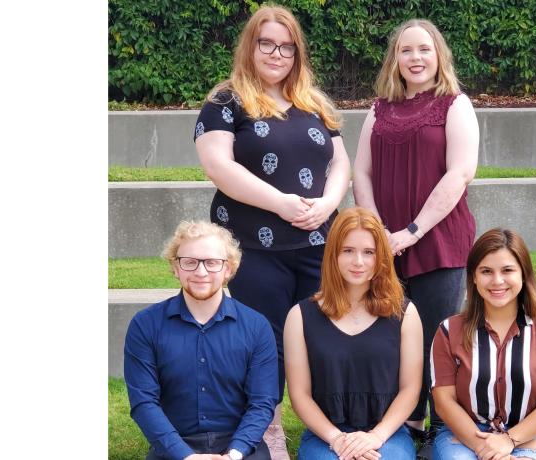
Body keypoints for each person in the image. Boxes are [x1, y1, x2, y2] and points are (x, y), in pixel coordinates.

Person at [193, 5, 350, 456]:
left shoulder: (313, 101)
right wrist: (280, 203)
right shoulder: (226, 101)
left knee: (325, 334)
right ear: (251, 47)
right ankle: (269, 430)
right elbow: (218, 166)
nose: (277, 53)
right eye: (267, 43)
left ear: (297, 52)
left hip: (320, 242)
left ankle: (333, 428)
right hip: (253, 247)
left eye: (287, 45)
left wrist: (328, 202)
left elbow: (339, 162)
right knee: (263, 342)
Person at [352, 18, 479, 457]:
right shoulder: (378, 109)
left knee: (440, 337)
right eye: (406, 50)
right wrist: (377, 234)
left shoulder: (454, 104)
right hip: (385, 245)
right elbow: (361, 172)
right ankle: (405, 424)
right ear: (395, 59)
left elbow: (460, 173)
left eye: (424, 49)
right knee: (391, 336)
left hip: (438, 240)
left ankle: (445, 428)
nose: (416, 58)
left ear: (438, 54)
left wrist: (412, 231)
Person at [124, 220, 277, 460]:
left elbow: (262, 402)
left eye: (212, 262)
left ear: (229, 269)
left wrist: (234, 454)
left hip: (240, 448)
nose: (200, 272)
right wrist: (186, 456)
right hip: (174, 447)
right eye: (190, 262)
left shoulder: (257, 327)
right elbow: (144, 402)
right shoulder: (145, 325)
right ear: (176, 267)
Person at [283, 207, 424, 460]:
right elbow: (299, 395)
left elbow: (410, 390)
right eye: (348, 251)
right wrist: (337, 439)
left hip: (387, 433)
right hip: (325, 435)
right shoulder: (300, 316)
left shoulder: (405, 313)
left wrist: (375, 437)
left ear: (381, 257)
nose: (358, 262)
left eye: (368, 252)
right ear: (333, 255)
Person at [429, 228, 536, 460]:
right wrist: (487, 448)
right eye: (486, 271)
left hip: (530, 435)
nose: (497, 281)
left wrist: (509, 440)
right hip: (466, 436)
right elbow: (443, 401)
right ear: (473, 277)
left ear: (523, 274)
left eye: (507, 270)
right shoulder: (449, 331)